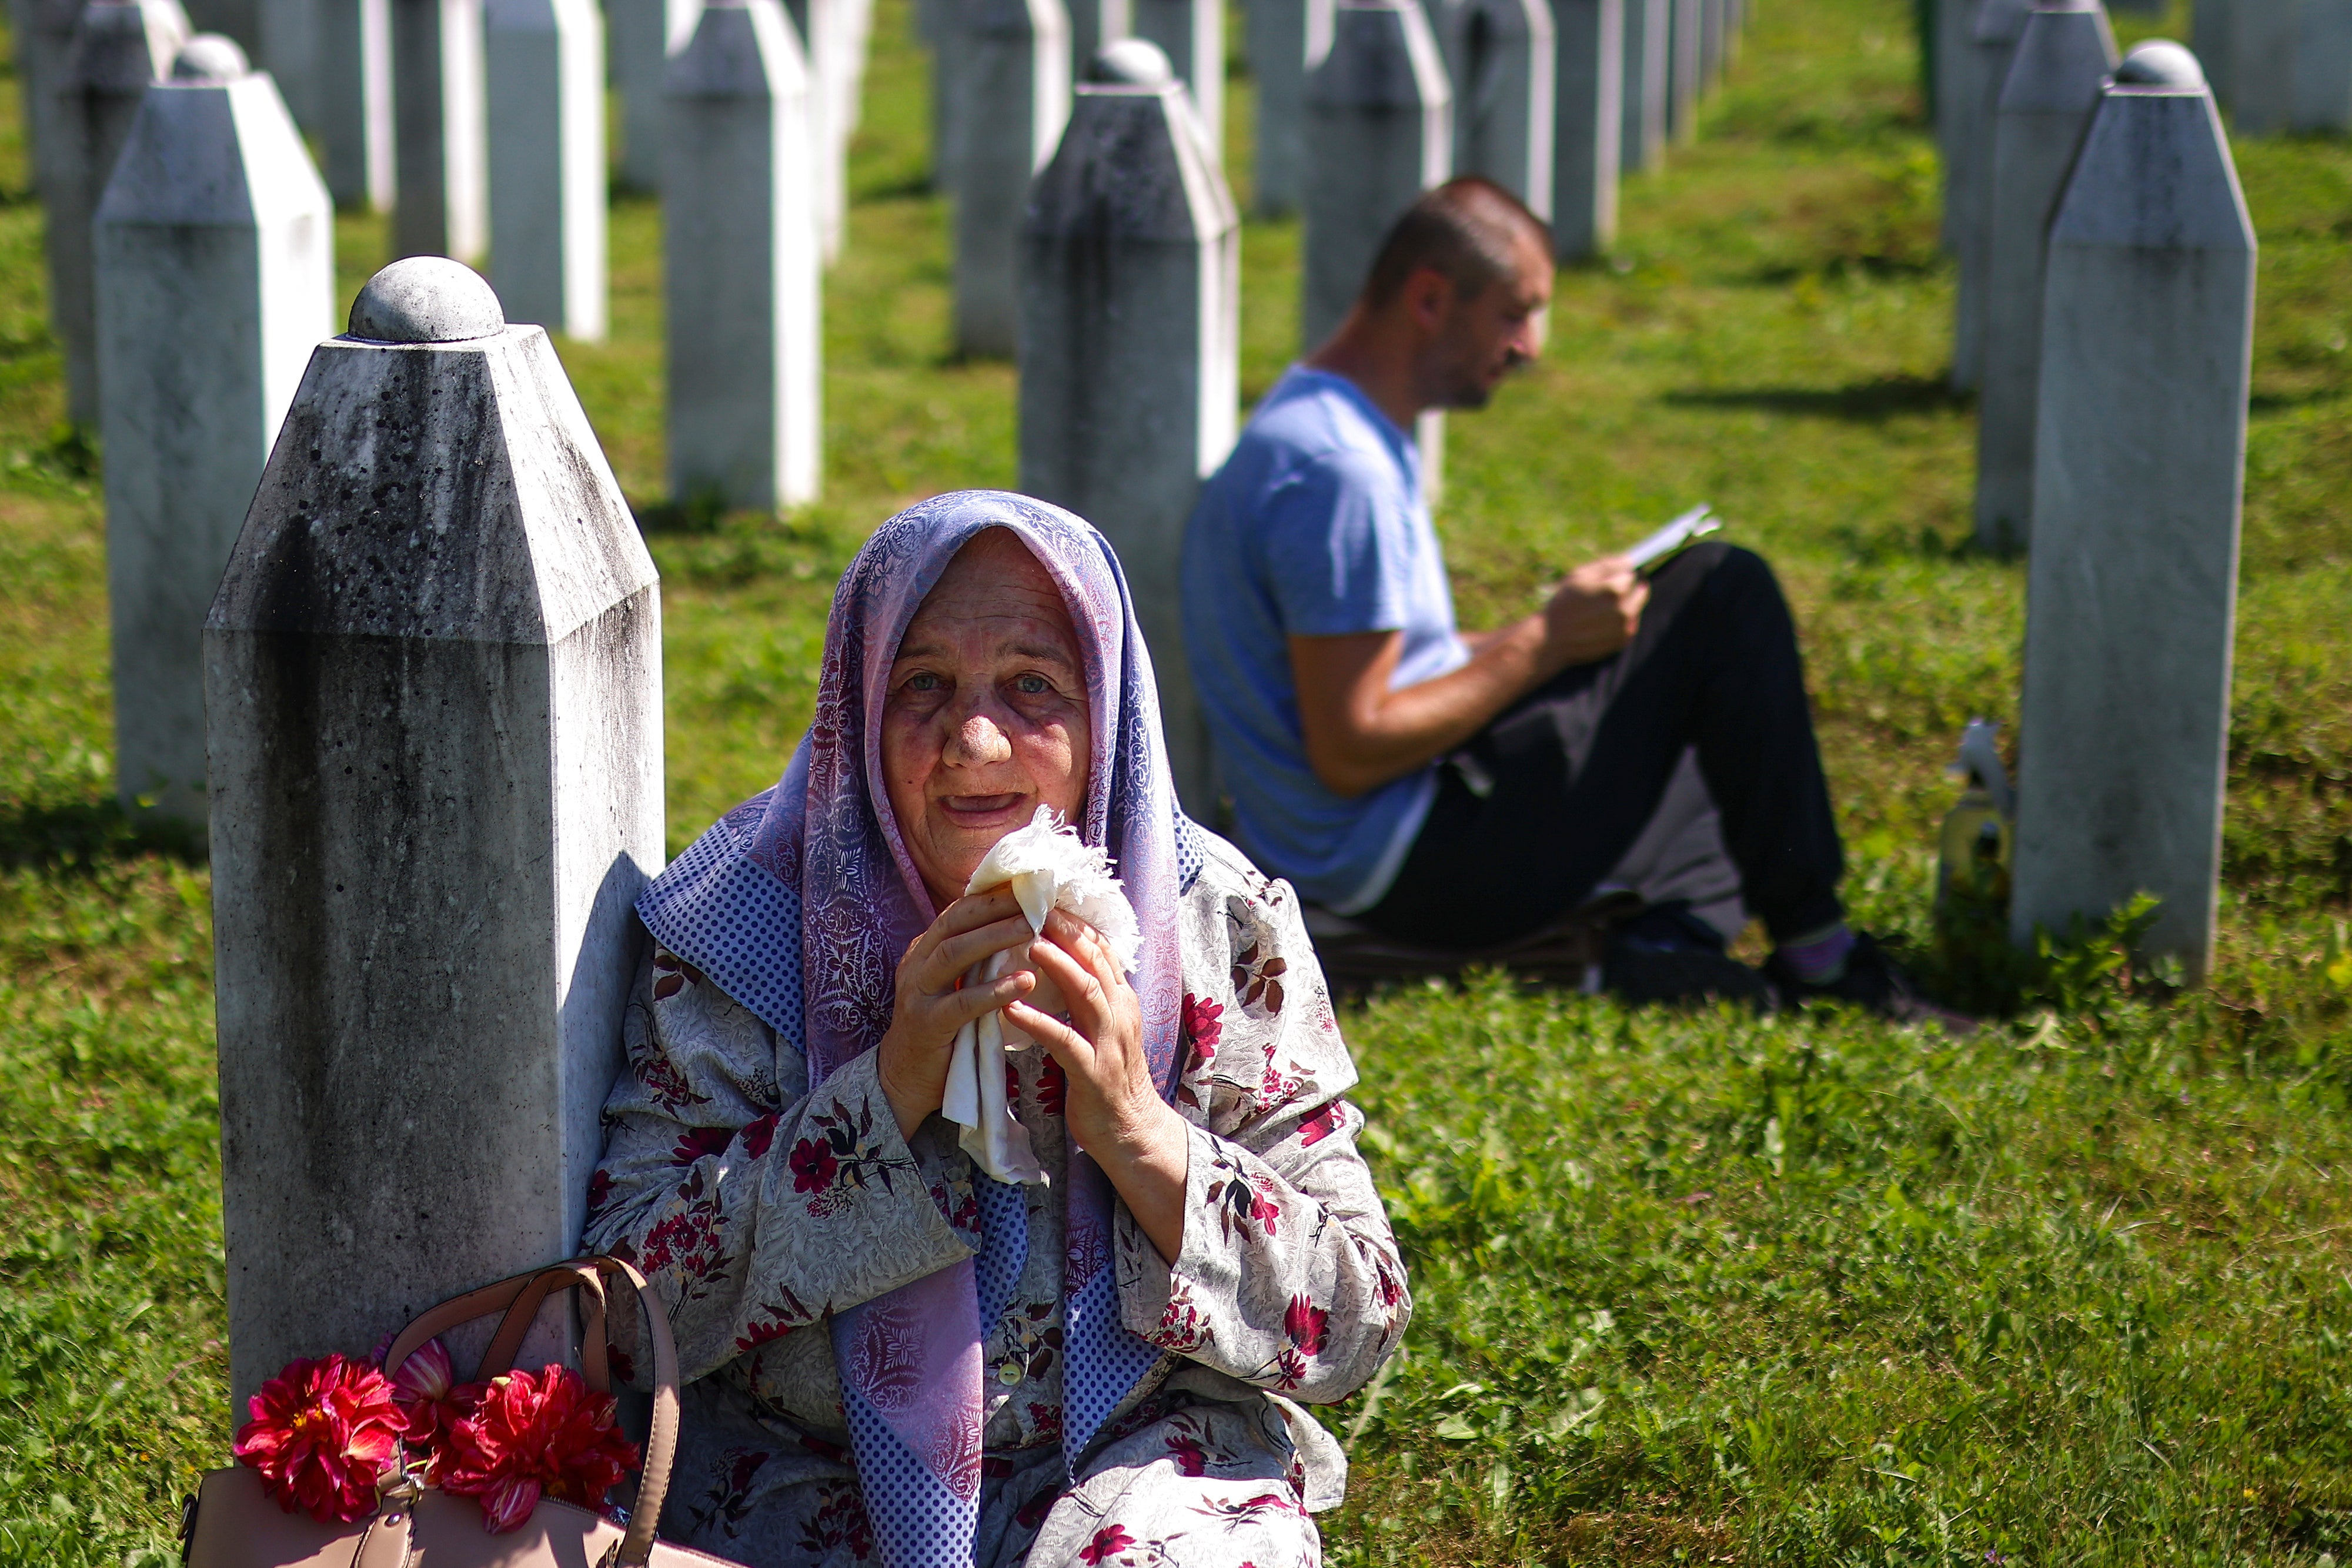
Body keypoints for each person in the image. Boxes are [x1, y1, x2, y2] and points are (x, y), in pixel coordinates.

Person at [586, 492, 1408, 1568]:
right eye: (921, 685)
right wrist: (884, 1092)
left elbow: (1354, 1323)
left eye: (1034, 687)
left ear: (1107, 710)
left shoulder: (1218, 926)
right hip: (796, 1475)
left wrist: (1136, 1128)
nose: (975, 744)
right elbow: (616, 1319)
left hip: (1145, 1460)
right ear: (856, 703)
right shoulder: (740, 928)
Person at [1181, 175, 1929, 1013]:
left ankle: (1655, 950)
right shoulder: (1337, 473)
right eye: (1514, 312)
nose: (1531, 345)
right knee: (1722, 594)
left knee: (1703, 718)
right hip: (1407, 868)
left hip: (1389, 830)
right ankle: (1823, 961)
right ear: (1430, 299)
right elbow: (1353, 747)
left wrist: (1554, 630)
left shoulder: (1329, 425)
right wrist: (1545, 644)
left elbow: (1397, 665)